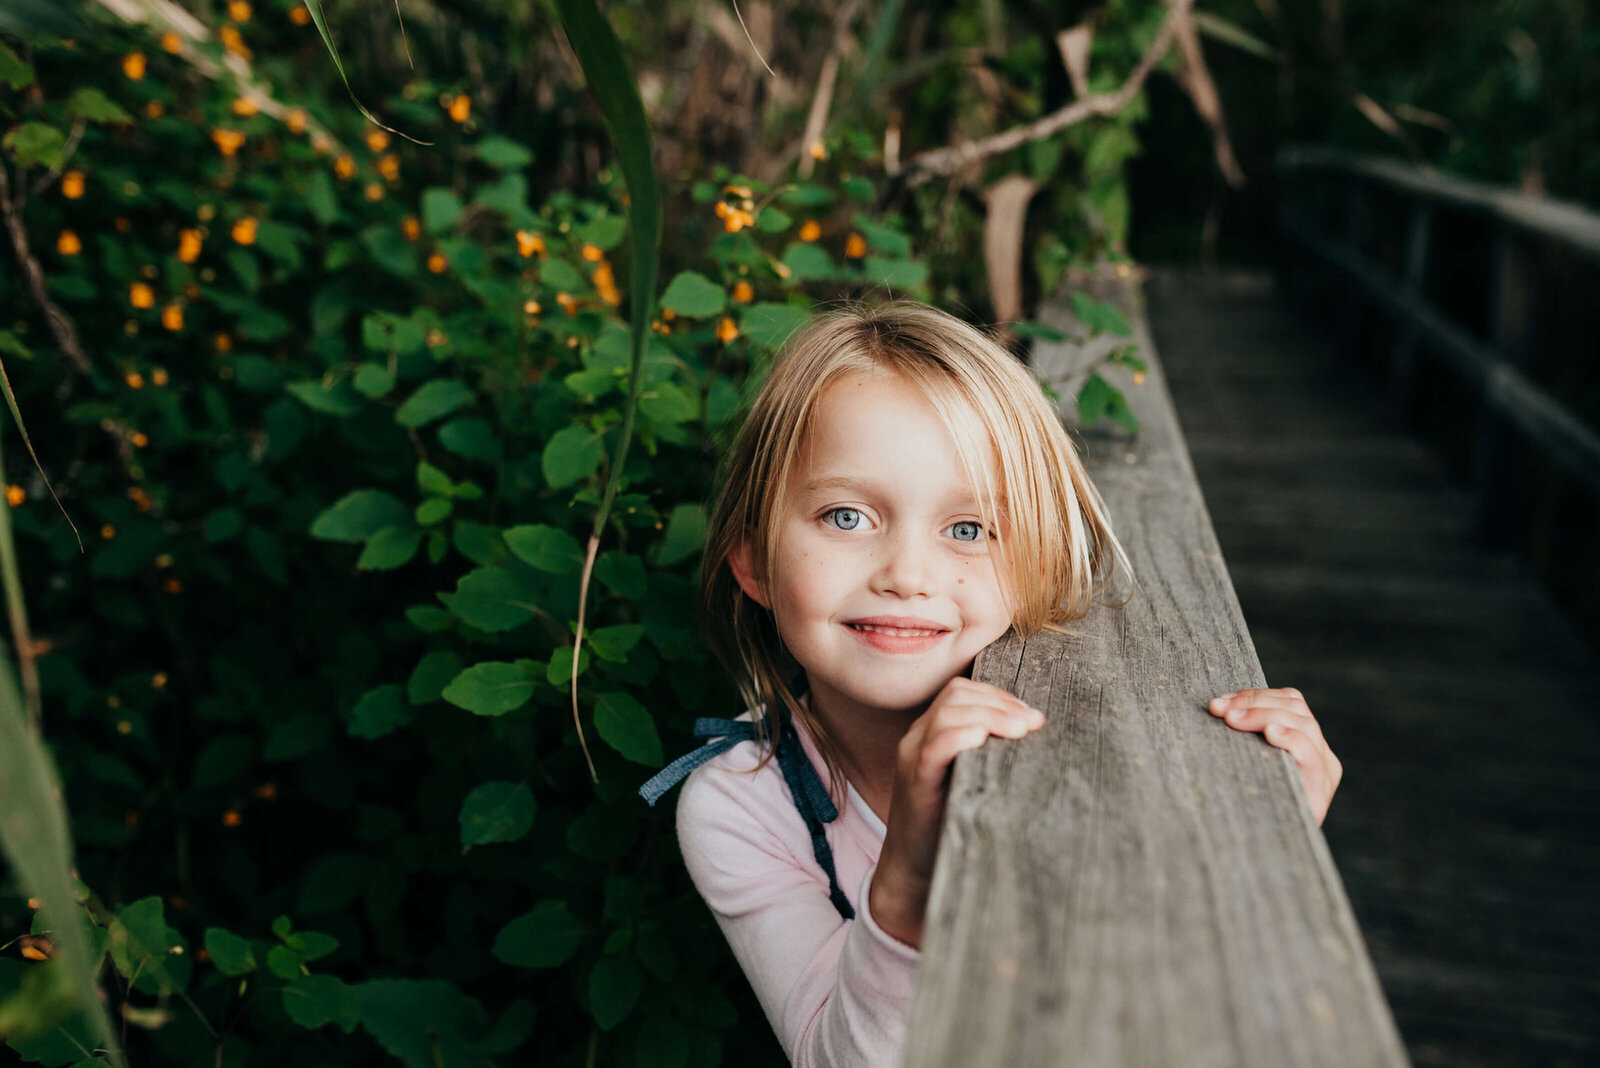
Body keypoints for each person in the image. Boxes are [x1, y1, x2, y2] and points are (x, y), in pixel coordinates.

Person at [638, 301, 1342, 1066]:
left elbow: (1168, 986)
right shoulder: (742, 803)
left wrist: (1262, 836)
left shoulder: (1089, 729)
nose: (908, 575)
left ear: (1034, 563)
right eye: (845, 516)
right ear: (752, 561)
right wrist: (903, 880)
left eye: (968, 530)